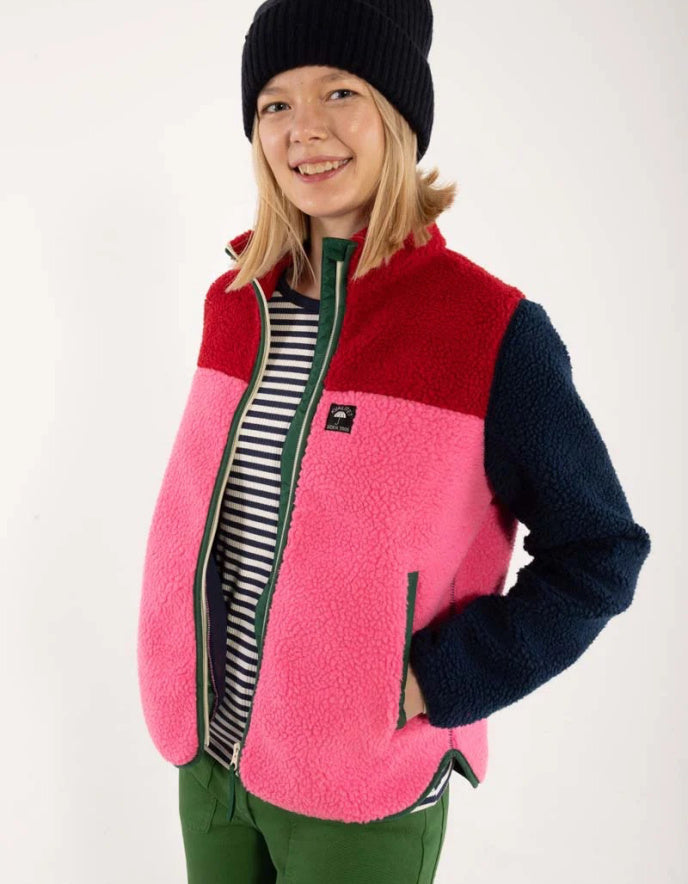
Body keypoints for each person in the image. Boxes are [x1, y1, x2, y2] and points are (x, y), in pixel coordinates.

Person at [136, 1, 652, 881]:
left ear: (398, 114)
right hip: (208, 756)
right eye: (275, 103)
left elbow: (601, 552)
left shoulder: (490, 331)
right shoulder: (235, 302)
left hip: (360, 790)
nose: (304, 129)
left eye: (339, 92)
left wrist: (435, 682)